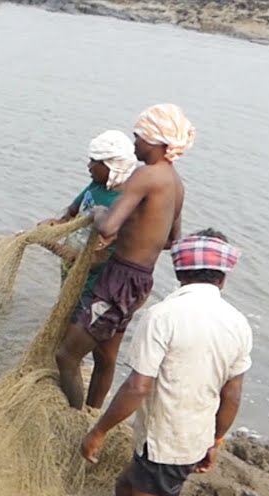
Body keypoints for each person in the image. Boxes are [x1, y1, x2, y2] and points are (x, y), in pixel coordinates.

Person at [80, 231, 250, 496]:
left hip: (167, 443)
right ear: (223, 278)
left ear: (179, 273)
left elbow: (138, 386)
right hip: (190, 436)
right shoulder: (237, 323)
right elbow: (233, 395)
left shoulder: (162, 316)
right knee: (124, 490)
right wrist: (215, 441)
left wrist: (98, 431)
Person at [55, 104, 196, 411]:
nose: (134, 145)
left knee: (66, 356)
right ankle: (92, 413)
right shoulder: (176, 183)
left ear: (156, 141)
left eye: (139, 138)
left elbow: (107, 227)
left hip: (118, 280)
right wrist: (140, 232)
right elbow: (172, 241)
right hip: (140, 281)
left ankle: (74, 418)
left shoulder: (145, 175)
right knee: (106, 357)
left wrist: (97, 212)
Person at [37, 130, 138, 411]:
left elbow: (96, 260)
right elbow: (68, 214)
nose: (89, 166)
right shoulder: (94, 187)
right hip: (71, 278)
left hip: (95, 288)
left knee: (80, 353)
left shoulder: (123, 206)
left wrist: (53, 247)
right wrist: (49, 227)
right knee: (73, 350)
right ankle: (74, 399)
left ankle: (80, 412)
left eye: (95, 161)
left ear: (113, 166)